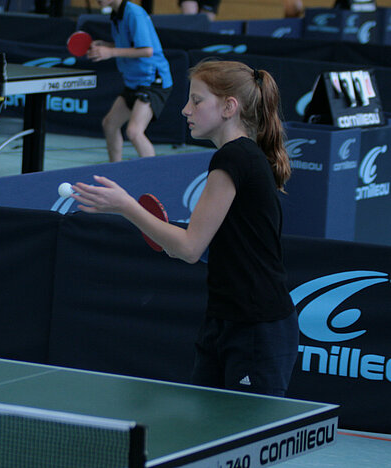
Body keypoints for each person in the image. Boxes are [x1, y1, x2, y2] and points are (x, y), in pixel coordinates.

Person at [70, 60, 298, 397]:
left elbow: (189, 248)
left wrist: (125, 206)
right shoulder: (242, 156)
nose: (185, 109)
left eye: (197, 100)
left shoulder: (234, 158)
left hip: (256, 328)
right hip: (225, 318)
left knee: (247, 429)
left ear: (229, 107)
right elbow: (213, 247)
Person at [88, 0, 173, 163]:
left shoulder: (134, 13)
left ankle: (154, 173)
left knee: (134, 131)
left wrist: (110, 52)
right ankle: (115, 169)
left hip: (152, 80)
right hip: (134, 81)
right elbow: (130, 43)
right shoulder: (116, 14)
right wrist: (106, 45)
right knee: (110, 124)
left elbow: (147, 50)